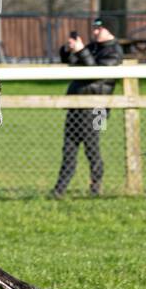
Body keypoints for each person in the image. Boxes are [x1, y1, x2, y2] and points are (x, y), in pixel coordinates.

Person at [52, 18, 124, 197]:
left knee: (92, 148)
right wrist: (68, 50)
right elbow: (70, 61)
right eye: (94, 28)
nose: (95, 32)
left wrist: (82, 51)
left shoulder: (114, 51)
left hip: (98, 108)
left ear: (109, 30)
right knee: (69, 148)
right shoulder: (91, 47)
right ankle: (59, 189)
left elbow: (97, 73)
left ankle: (95, 187)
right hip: (77, 104)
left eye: (99, 28)